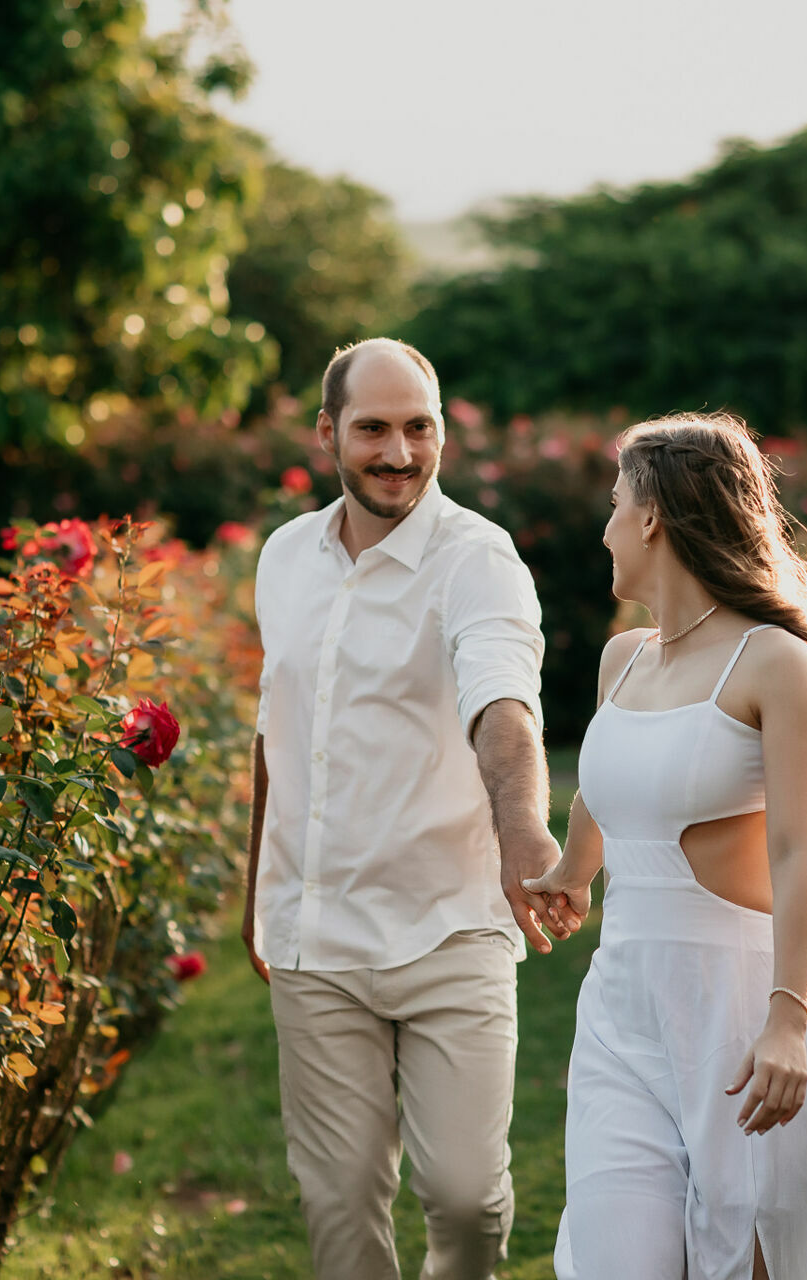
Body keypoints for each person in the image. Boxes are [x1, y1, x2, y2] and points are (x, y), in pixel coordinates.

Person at [242, 337, 561, 1280]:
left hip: (448, 928)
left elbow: (504, 707)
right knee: (338, 1209)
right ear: (327, 432)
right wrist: (256, 895)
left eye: (419, 428)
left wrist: (525, 834)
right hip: (316, 938)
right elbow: (276, 731)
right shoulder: (285, 556)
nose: (399, 452)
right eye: (374, 428)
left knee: (467, 1200)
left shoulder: (479, 560)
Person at [523, 413, 807, 1279]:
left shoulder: (773, 662)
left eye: (612, 505)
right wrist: (575, 866)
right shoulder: (623, 660)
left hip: (740, 1015)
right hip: (621, 1010)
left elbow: (797, 854)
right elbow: (612, 779)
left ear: (650, 518)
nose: (601, 529)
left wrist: (787, 1018)